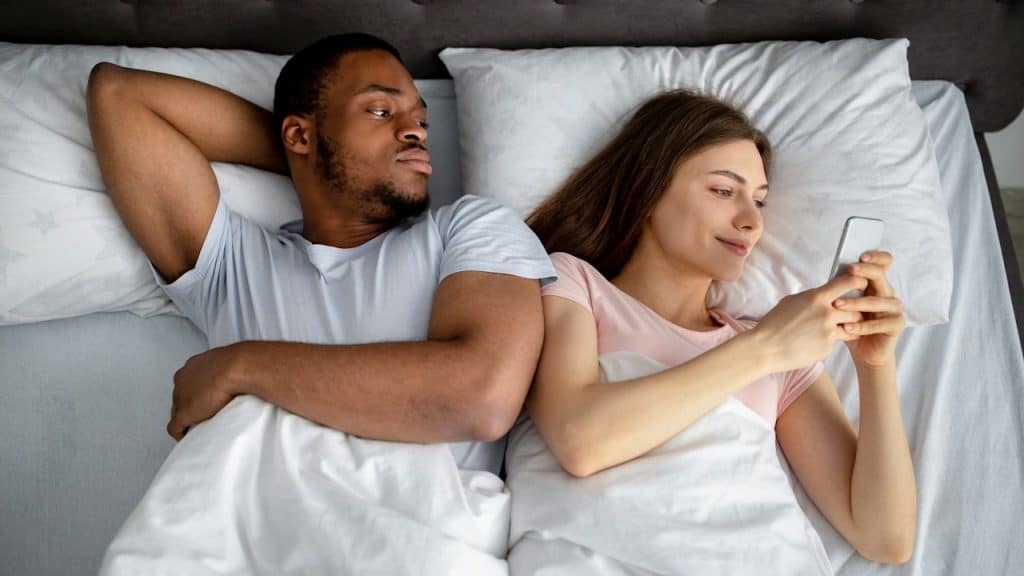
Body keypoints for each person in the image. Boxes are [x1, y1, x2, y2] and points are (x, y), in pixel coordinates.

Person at [87, 33, 554, 573]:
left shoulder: (470, 230)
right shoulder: (234, 266)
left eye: (422, 120)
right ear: (298, 134)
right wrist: (308, 155)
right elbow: (118, 95)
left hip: (411, 546)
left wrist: (242, 366)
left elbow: (481, 397)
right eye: (380, 110)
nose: (416, 131)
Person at [506, 90, 916, 574]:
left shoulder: (781, 348)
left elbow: (885, 537)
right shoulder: (575, 283)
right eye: (724, 191)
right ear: (649, 191)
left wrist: (874, 366)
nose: (752, 221)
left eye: (759, 201)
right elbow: (582, 441)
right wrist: (764, 348)